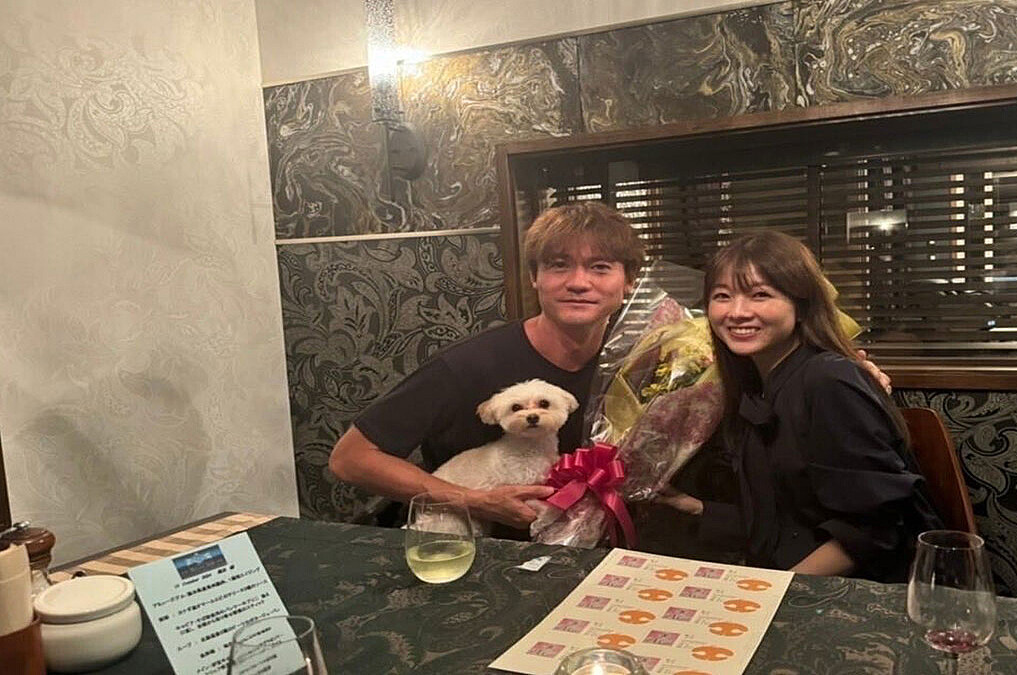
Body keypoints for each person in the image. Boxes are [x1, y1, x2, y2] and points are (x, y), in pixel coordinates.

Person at [330, 201, 893, 537]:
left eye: (600, 267)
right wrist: (474, 501)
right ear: (535, 278)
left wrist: (850, 366)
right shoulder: (470, 364)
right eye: (559, 266)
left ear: (627, 283)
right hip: (474, 548)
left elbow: (752, 340)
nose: (579, 282)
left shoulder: (654, 356)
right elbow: (350, 459)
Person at [656, 231, 940, 581]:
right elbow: (787, 518)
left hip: (863, 590)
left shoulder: (829, 381)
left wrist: (771, 591)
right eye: (722, 296)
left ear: (802, 306)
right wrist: (696, 507)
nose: (737, 312)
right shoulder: (758, 384)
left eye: (760, 295)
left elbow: (873, 527)